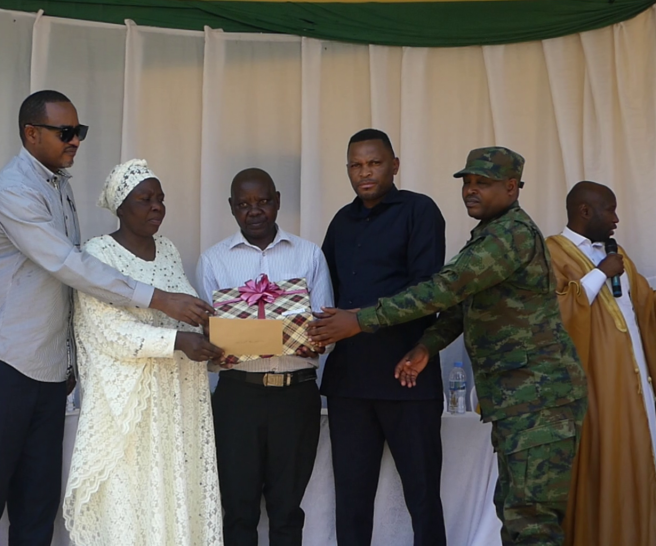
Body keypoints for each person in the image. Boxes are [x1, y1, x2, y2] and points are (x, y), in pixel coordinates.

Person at [0, 91, 214, 546]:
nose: (75, 140)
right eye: (65, 132)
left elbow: (65, 296)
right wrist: (158, 299)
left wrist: (70, 359)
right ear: (31, 134)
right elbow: (67, 264)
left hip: (46, 370)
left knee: (36, 507)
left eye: (79, 131)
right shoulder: (12, 188)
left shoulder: (59, 185)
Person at [309, 147, 588, 546]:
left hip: (538, 399)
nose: (471, 190)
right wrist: (427, 345)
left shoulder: (509, 236)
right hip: (517, 399)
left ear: (512, 187)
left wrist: (360, 320)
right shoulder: (489, 235)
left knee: (532, 523)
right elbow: (461, 305)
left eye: (483, 183)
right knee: (516, 514)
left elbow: (444, 288)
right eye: (467, 182)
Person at [62, 159, 224, 545]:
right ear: (120, 207)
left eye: (160, 199)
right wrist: (178, 342)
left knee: (172, 499)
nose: (156, 207)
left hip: (174, 406)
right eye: (145, 199)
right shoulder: (98, 253)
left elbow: (180, 316)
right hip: (128, 412)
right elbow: (107, 330)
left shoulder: (167, 250)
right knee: (131, 502)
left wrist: (208, 337)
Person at [315, 129, 447, 546]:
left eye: (374, 163)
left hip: (407, 375)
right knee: (351, 502)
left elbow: (428, 293)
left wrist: (358, 320)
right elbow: (325, 294)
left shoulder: (419, 211)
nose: (365, 172)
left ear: (394, 165)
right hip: (350, 383)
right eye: (356, 165)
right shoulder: (341, 221)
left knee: (423, 499)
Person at [545, 181, 656, 546]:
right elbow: (555, 313)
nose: (616, 219)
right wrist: (600, 273)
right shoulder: (551, 252)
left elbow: (650, 308)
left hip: (636, 384)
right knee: (605, 467)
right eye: (609, 210)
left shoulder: (618, 254)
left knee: (643, 461)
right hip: (594, 388)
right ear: (585, 211)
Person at [195, 168, 334, 545]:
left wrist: (307, 337)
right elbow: (209, 334)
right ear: (231, 207)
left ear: (277, 201)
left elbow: (325, 330)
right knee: (238, 509)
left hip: (295, 395)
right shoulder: (213, 261)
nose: (254, 210)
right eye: (244, 204)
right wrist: (273, 333)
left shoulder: (309, 255)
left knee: (287, 510)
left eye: (263, 201)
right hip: (238, 396)